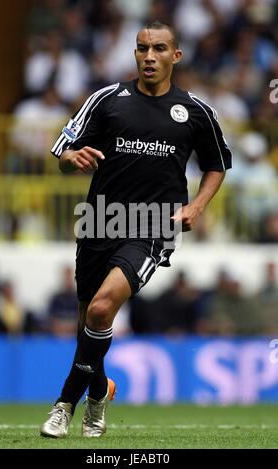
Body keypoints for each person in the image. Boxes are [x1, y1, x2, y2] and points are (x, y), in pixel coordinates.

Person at [41, 20, 232, 439]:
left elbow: (217, 165)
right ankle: (99, 393)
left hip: (152, 226)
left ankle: (64, 405)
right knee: (88, 323)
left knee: (100, 308)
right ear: (134, 53)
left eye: (160, 49)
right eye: (143, 48)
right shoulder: (108, 100)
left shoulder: (196, 112)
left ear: (176, 56)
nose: (150, 56)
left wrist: (197, 206)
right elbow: (62, 151)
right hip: (99, 221)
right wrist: (70, 158)